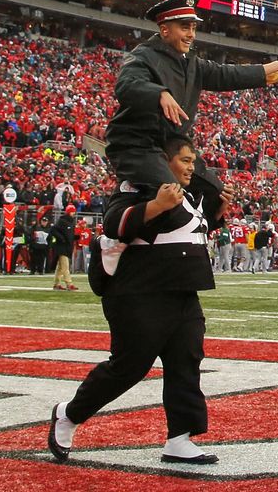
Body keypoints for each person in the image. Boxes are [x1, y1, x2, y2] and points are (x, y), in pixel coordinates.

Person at [49, 137, 222, 466]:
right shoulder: (138, 186)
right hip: (139, 292)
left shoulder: (185, 197)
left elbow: (184, 234)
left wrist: (217, 213)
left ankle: (179, 438)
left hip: (182, 291)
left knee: (186, 361)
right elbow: (115, 224)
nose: (190, 167)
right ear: (162, 162)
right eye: (184, 160)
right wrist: (156, 205)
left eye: (192, 161)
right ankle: (68, 415)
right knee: (128, 367)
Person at [101, 0, 278, 202]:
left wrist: (267, 70)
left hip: (170, 147)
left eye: (193, 27)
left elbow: (225, 74)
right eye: (185, 27)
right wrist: (160, 93)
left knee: (216, 196)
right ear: (164, 30)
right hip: (137, 147)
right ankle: (125, 216)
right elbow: (126, 85)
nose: (191, 34)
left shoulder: (190, 62)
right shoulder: (144, 55)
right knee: (173, 197)